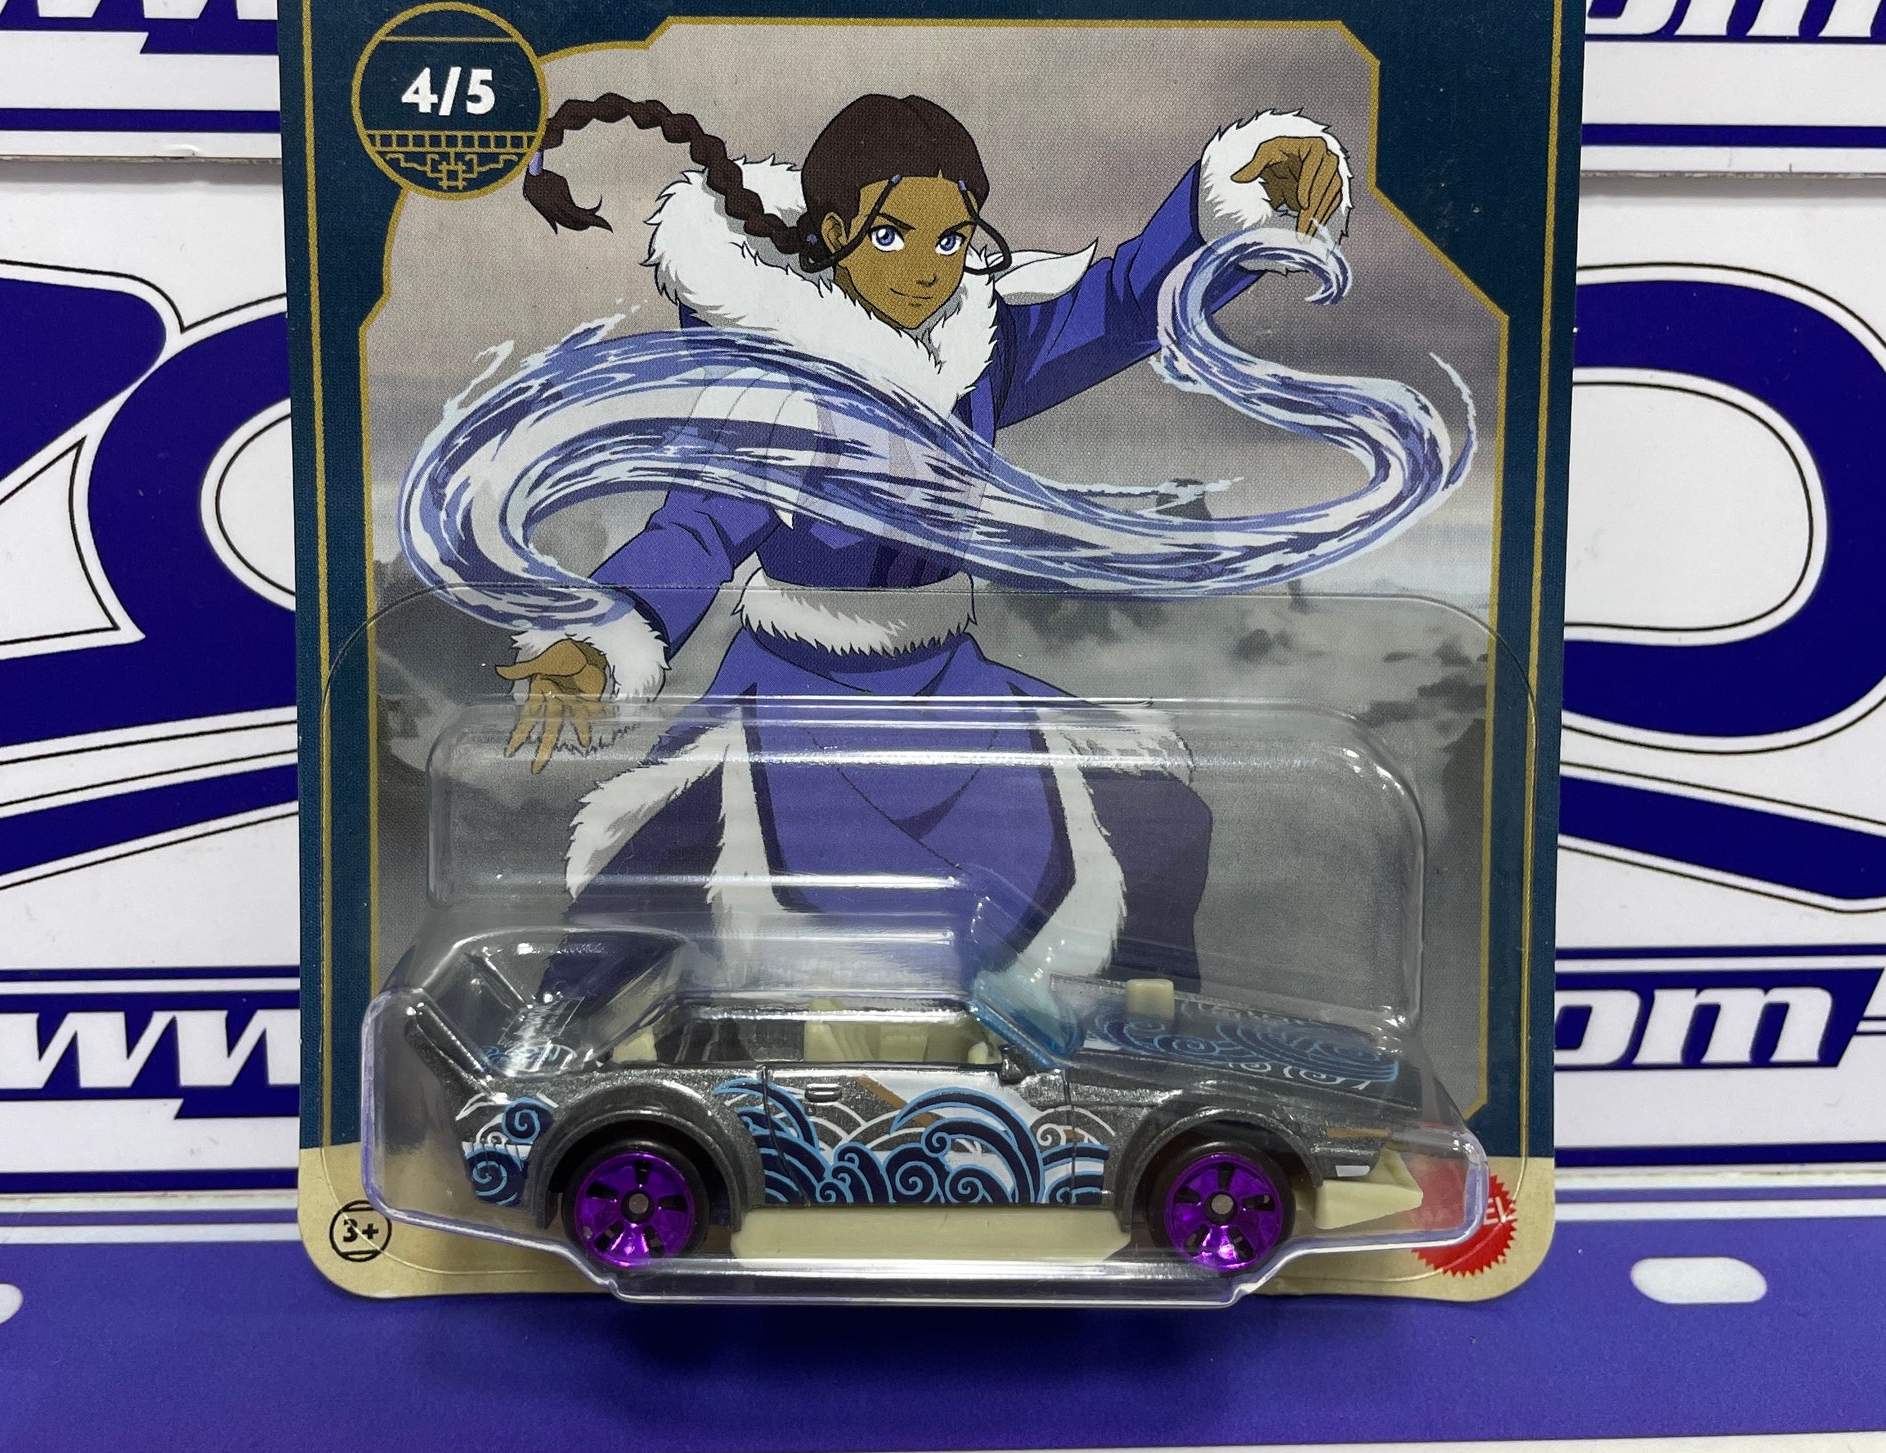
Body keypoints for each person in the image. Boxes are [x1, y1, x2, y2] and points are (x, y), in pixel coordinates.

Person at [492, 87, 1351, 994]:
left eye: (951, 240)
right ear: (832, 231)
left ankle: (1142, 1030)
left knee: (1159, 821)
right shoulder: (774, 388)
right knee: (652, 872)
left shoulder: (975, 355)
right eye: (893, 235)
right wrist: (603, 632)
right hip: (797, 694)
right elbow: (698, 522)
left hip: (948, 685)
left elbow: (1127, 301)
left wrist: (1241, 201)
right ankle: (555, 1041)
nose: (926, 268)